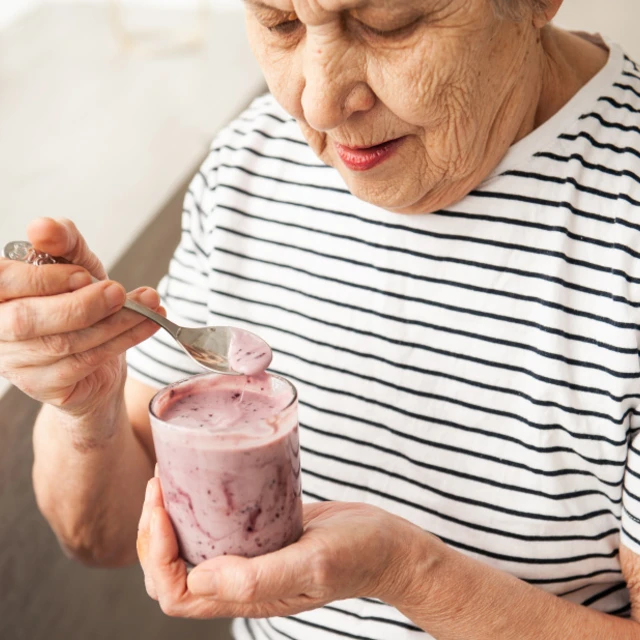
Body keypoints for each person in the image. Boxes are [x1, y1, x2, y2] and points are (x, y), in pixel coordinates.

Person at [3, 0, 640, 637]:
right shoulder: (251, 161)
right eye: (280, 23)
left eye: (389, 22)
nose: (319, 103)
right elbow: (103, 539)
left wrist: (410, 576)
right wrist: (90, 409)